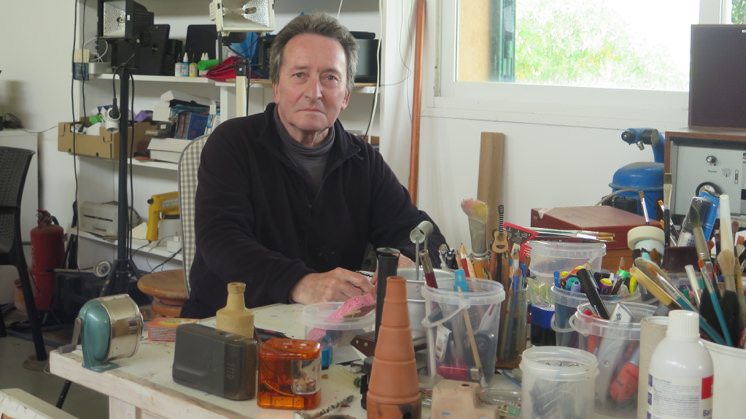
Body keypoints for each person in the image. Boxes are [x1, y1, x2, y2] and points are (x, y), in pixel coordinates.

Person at [181, 13, 447, 318]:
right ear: (277, 88)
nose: (314, 92)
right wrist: (300, 283)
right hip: (229, 324)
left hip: (326, 327)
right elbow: (221, 240)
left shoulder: (363, 160)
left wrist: (413, 260)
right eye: (300, 75)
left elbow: (413, 228)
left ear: (346, 95)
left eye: (330, 78)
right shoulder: (231, 143)